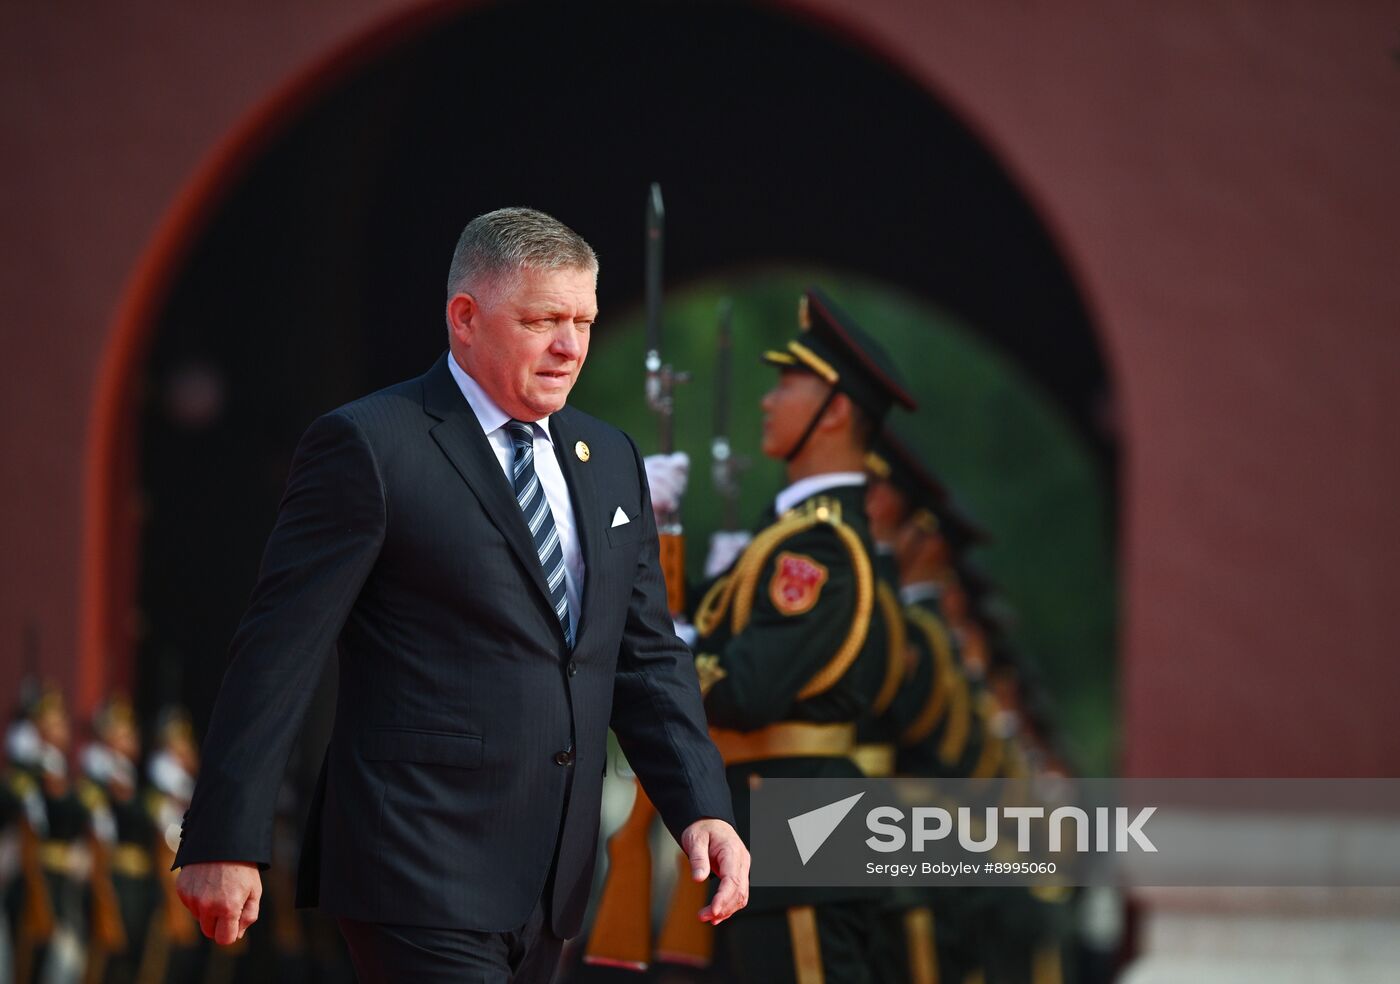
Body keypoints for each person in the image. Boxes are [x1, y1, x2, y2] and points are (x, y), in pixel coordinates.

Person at [171, 207, 747, 983]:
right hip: (414, 862)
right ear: (465, 318)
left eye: (582, 321)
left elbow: (643, 657)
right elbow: (278, 650)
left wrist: (701, 805)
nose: (570, 346)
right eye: (543, 320)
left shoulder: (610, 458)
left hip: (553, 880)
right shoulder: (372, 445)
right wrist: (224, 838)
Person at [685, 288, 916, 983]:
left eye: (788, 383)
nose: (768, 400)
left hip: (799, 827)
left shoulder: (820, 548)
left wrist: (662, 657)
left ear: (835, 410)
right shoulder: (796, 534)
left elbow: (745, 689)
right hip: (787, 823)